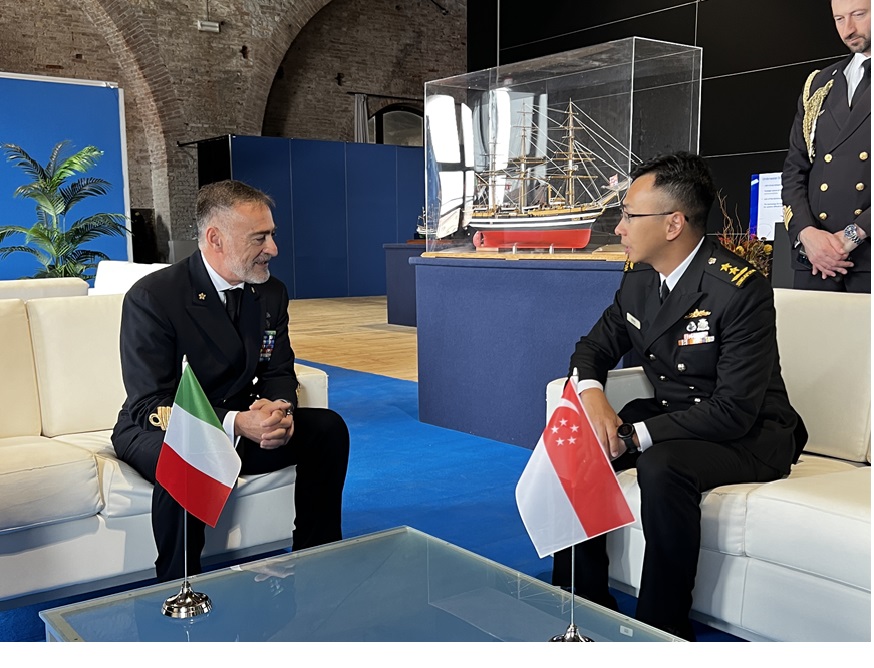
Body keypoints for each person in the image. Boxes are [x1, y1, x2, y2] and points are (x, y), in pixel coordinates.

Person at [551, 152, 807, 641]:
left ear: (673, 224)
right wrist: (594, 399)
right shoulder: (640, 280)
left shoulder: (738, 290)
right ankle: (583, 603)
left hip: (749, 432)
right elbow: (592, 348)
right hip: (678, 417)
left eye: (629, 214)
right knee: (582, 441)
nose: (619, 227)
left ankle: (661, 629)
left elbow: (733, 410)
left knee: (662, 466)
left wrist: (633, 435)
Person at [112, 180, 349, 582]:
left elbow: (277, 368)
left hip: (242, 424)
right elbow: (149, 402)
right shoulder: (154, 297)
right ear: (215, 239)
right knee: (188, 455)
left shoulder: (270, 292)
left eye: (272, 235)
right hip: (163, 429)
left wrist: (278, 409)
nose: (273, 248)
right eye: (260, 238)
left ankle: (317, 560)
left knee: (327, 429)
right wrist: (237, 422)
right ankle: (178, 587)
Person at [782, 0, 871, 292]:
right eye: (839, 19)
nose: (849, 29)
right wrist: (807, 235)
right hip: (816, 262)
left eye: (859, 15)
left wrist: (853, 235)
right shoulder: (819, 84)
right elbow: (795, 170)